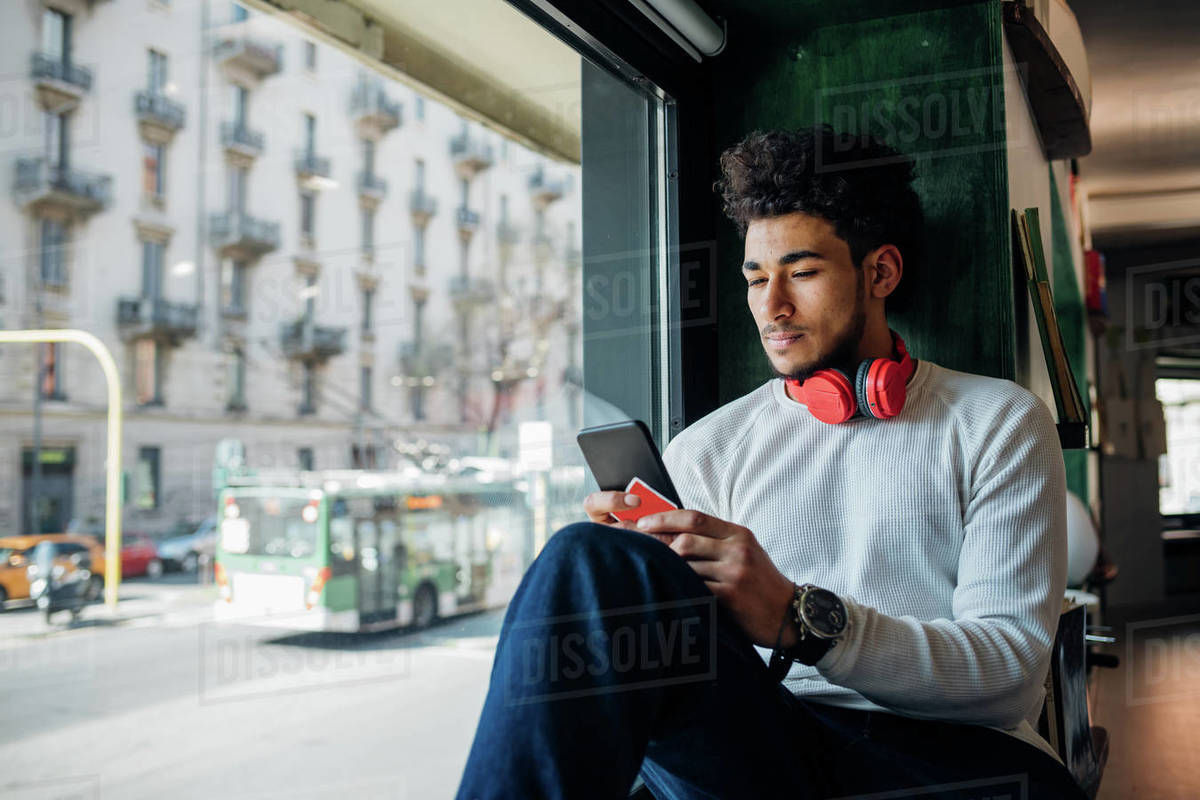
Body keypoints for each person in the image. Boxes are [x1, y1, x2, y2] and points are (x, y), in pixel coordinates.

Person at [456, 126, 1085, 799]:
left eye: (802, 273)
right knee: (591, 561)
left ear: (880, 272)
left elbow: (1007, 677)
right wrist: (634, 594)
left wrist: (796, 617)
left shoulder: (1000, 422)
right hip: (766, 742)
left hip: (950, 757)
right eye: (756, 278)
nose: (771, 306)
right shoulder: (709, 448)